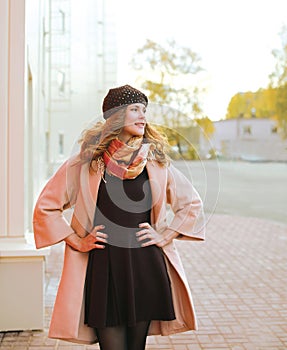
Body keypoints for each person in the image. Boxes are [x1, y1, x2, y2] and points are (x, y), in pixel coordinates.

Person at [33, 84, 205, 350]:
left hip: (146, 265)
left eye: (144, 110)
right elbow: (46, 207)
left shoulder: (155, 162)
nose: (142, 116)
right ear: (116, 115)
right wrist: (76, 240)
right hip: (103, 267)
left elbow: (191, 203)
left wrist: (165, 234)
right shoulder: (86, 162)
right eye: (134, 109)